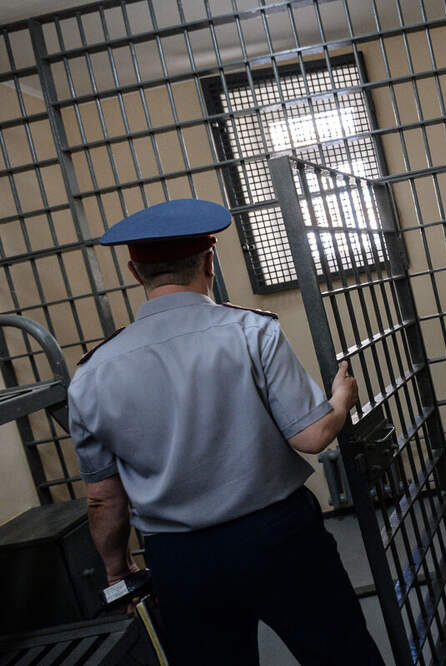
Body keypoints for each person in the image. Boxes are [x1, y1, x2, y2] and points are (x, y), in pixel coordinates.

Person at [67, 199, 384, 665]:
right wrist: (341, 399)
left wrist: (118, 570)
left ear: (135, 272)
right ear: (208, 262)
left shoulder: (91, 375)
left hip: (180, 558)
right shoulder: (252, 332)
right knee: (341, 656)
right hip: (279, 537)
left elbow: (103, 499)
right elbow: (313, 436)